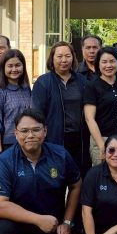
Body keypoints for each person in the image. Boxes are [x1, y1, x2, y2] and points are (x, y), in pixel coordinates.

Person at [31, 41, 90, 173]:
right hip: (53, 138)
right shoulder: (44, 82)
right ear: (52, 59)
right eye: (59, 56)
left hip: (79, 139)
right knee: (55, 178)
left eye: (68, 56)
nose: (64, 60)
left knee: (79, 177)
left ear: (73, 58)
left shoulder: (82, 81)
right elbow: (36, 114)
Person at [83, 46, 117, 165]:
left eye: (112, 61)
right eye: (104, 62)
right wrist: (101, 145)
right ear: (98, 64)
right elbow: (89, 118)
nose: (108, 65)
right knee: (103, 175)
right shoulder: (92, 86)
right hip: (102, 140)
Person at [0, 48, 31, 158]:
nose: (14, 69)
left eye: (18, 65)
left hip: (26, 144)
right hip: (6, 146)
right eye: (10, 66)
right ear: (3, 68)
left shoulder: (26, 89)